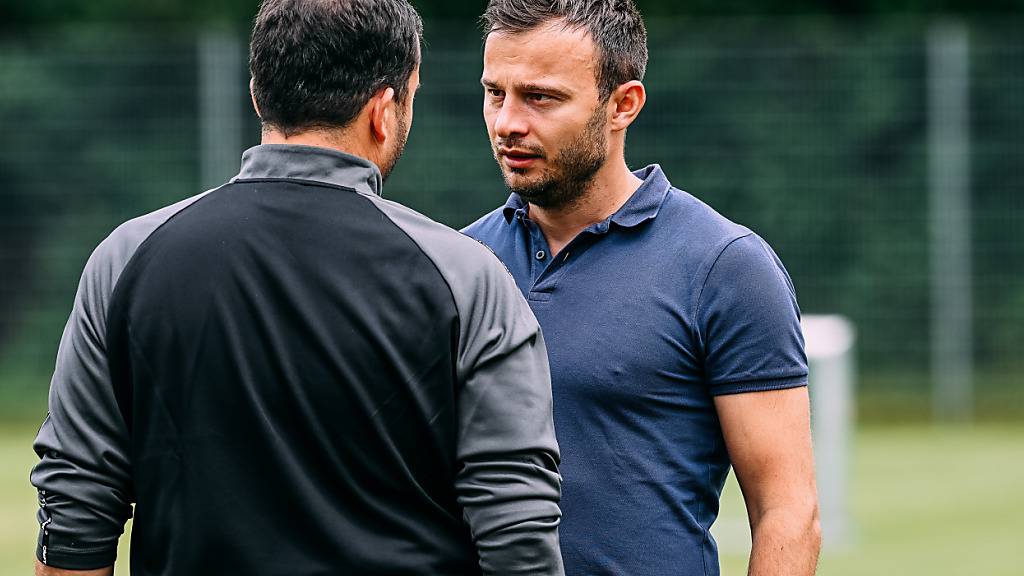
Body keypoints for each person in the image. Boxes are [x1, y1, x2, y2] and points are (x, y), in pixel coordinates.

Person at [30, 1, 564, 574]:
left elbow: (77, 513)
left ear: (259, 94)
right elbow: (517, 536)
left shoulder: (126, 258)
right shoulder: (467, 278)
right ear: (385, 109)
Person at [463, 1, 821, 575]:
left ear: (622, 105)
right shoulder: (459, 264)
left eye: (541, 97)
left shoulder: (725, 267)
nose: (508, 122)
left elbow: (788, 511)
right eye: (494, 93)